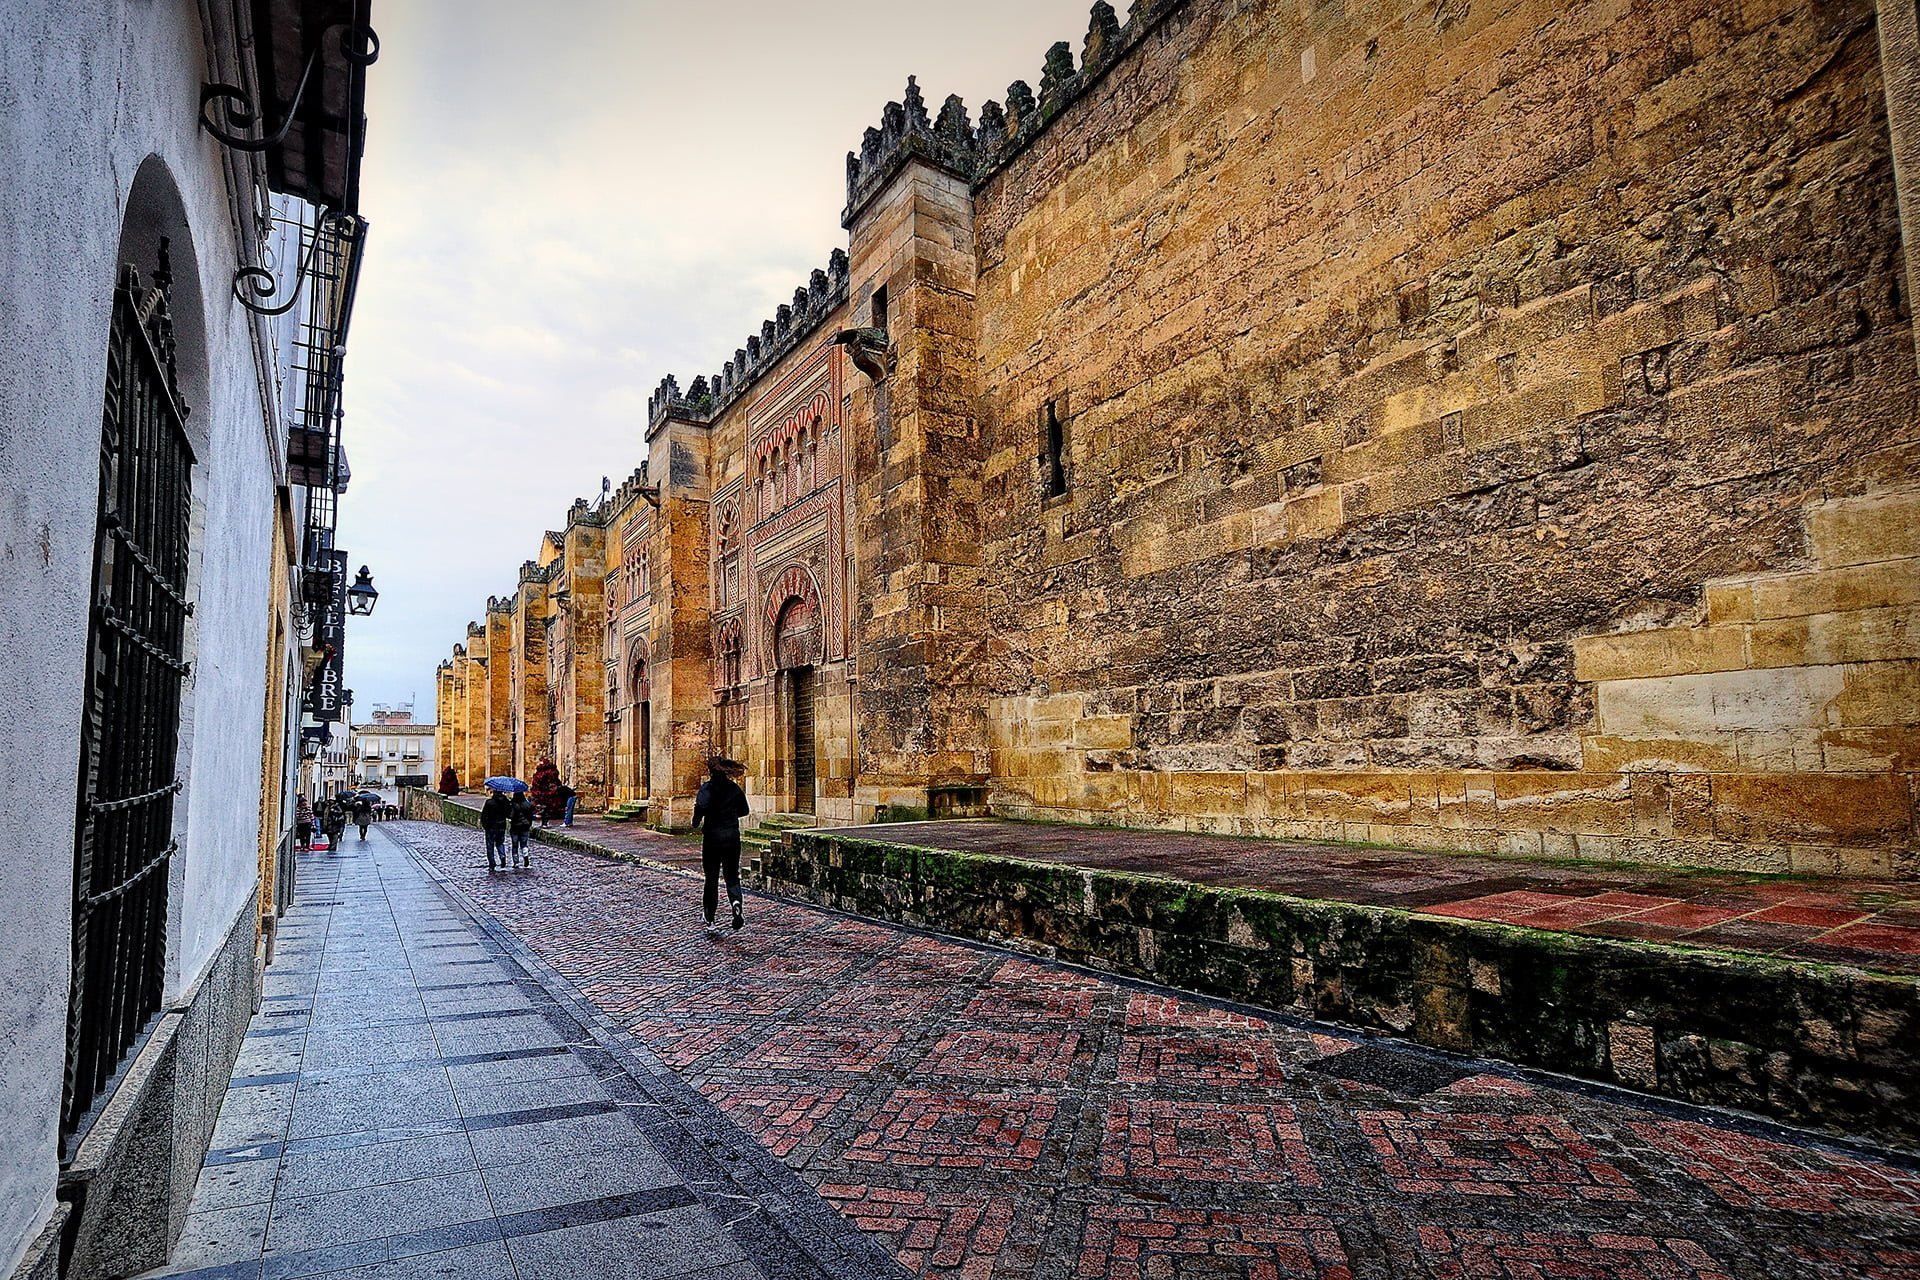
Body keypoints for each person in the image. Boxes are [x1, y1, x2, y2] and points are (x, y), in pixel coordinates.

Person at [691, 756, 750, 931]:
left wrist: (696, 821)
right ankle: (736, 902)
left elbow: (700, 807)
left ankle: (710, 918)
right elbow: (744, 810)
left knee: (712, 878)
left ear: (710, 771)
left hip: (712, 838)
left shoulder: (707, 788)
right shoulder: (733, 788)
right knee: (732, 875)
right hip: (732, 836)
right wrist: (730, 815)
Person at [480, 787, 512, 873]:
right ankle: (502, 856)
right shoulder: (505, 802)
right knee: (500, 843)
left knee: (490, 846)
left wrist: (485, 825)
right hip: (501, 826)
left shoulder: (489, 802)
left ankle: (492, 863)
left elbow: (484, 815)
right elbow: (509, 814)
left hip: (491, 827)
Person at [508, 791, 536, 870]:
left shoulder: (513, 804)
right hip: (525, 826)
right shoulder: (527, 804)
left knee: (515, 844)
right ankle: (525, 856)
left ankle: (516, 862)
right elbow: (531, 815)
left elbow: (511, 815)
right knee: (524, 843)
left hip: (515, 826)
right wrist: (529, 823)